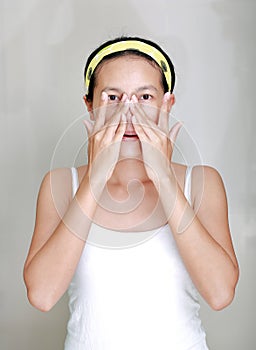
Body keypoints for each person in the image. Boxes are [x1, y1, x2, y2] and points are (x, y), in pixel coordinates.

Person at [23, 36, 239, 349]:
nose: (129, 112)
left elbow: (221, 294)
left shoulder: (201, 183)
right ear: (90, 105)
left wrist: (164, 177)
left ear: (168, 104)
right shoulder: (60, 185)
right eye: (113, 97)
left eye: (145, 96)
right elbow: (42, 296)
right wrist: (95, 179)